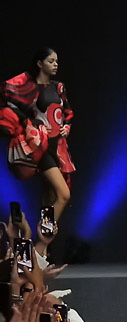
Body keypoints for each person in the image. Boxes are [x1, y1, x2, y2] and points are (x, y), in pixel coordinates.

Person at [1, 48, 75, 228]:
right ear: (40, 63)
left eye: (56, 61)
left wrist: (66, 126)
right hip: (42, 146)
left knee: (49, 197)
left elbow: (68, 111)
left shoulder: (58, 86)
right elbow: (9, 104)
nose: (55, 64)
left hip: (59, 147)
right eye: (51, 61)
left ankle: (43, 242)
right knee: (63, 194)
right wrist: (30, 123)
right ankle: (44, 236)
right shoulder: (28, 88)